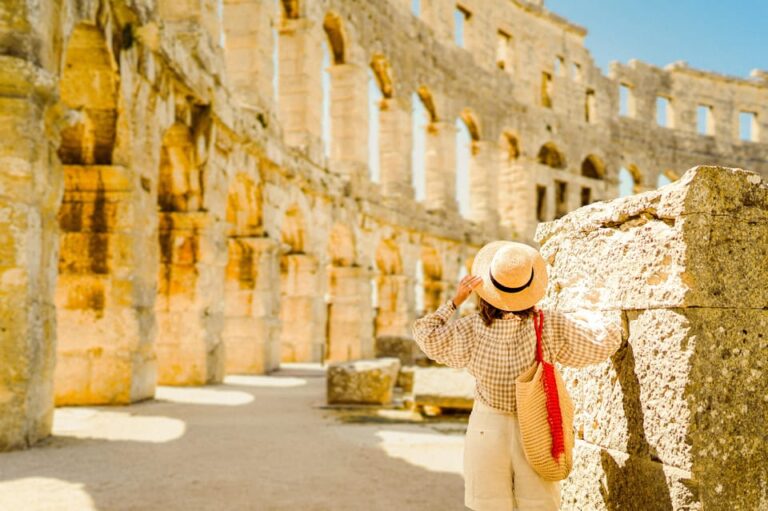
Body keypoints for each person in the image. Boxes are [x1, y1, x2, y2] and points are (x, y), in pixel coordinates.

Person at [412, 240, 622, 511]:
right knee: (539, 504)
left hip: (487, 426)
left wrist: (455, 300)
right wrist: (603, 313)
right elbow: (599, 344)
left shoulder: (471, 329)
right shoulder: (548, 324)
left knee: (489, 505)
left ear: (486, 288)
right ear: (530, 287)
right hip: (537, 426)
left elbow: (426, 333)